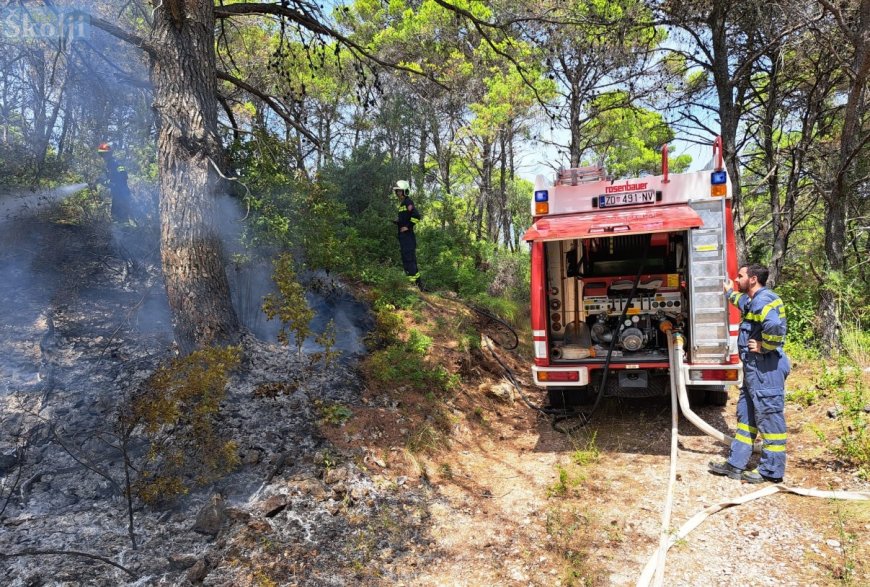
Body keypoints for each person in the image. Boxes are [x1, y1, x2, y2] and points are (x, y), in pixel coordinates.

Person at [709, 264, 790, 483]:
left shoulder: (764, 300)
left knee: (770, 419)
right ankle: (736, 464)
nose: (737, 279)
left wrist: (765, 346)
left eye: (741, 276)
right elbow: (742, 301)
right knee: (746, 417)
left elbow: (774, 325)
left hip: (767, 368)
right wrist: (728, 292)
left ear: (753, 279)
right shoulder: (754, 299)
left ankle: (771, 472)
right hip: (755, 370)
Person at [392, 179, 422, 289]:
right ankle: (419, 286)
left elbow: (417, 216)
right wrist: (398, 222)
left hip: (408, 237)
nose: (398, 193)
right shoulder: (403, 204)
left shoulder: (408, 202)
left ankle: (413, 285)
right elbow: (406, 218)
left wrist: (407, 227)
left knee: (409, 260)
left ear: (405, 191)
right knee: (408, 259)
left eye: (400, 191)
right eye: (397, 191)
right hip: (404, 238)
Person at [97, 142, 133, 223]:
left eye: (104, 155)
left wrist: (104, 182)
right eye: (102, 155)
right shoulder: (112, 164)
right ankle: (122, 233)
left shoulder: (114, 163)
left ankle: (123, 233)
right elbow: (116, 179)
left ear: (109, 154)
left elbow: (121, 178)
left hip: (121, 194)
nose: (103, 157)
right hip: (119, 194)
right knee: (118, 217)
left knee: (119, 217)